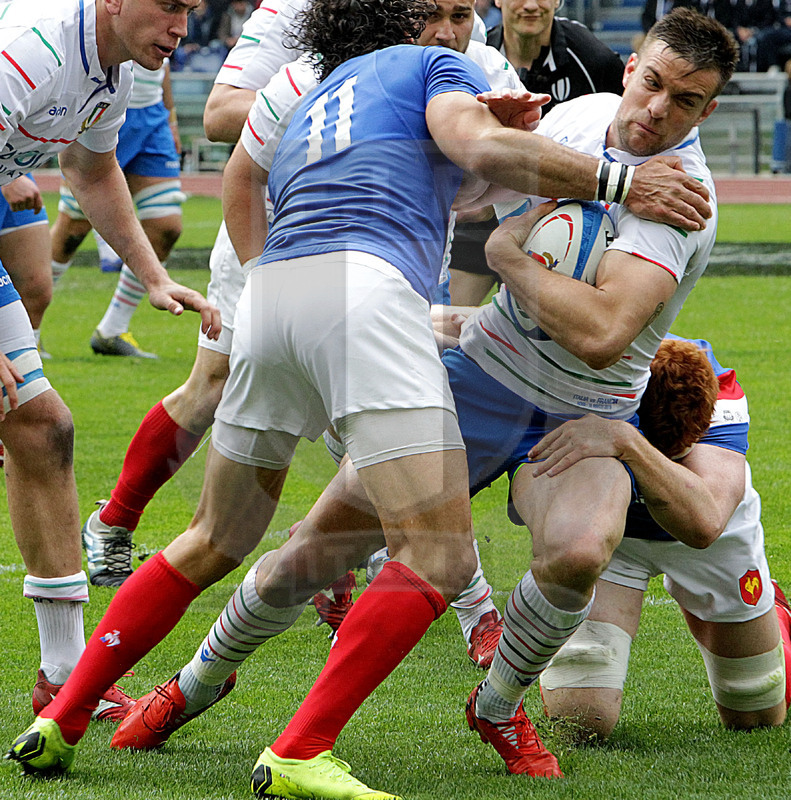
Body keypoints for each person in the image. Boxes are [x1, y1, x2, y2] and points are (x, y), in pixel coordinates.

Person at [8, 2, 713, 797]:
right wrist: (614, 178)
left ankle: (59, 719)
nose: (455, 32)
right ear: (404, 25)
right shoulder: (431, 68)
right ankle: (301, 747)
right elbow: (468, 144)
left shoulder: (308, 82)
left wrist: (264, 283)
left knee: (211, 538)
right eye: (440, 18)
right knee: (439, 554)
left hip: (275, 297)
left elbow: (259, 174)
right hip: (371, 304)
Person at [77, 0, 516, 589]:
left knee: (368, 406)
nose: (448, 26)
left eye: (460, 14)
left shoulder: (461, 35)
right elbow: (218, 114)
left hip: (390, 243)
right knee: (214, 385)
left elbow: (499, 146)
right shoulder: (296, 13)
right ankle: (114, 521)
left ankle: (355, 578)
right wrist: (343, 103)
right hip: (279, 224)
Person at [0, 0, 218, 745]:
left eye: (192, 10)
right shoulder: (29, 50)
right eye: (170, 6)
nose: (183, 28)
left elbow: (90, 171)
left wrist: (153, 277)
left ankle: (65, 680)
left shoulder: (113, 69)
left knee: (42, 426)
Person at [536, 336, 791, 736]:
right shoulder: (577, 379)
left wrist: (626, 442)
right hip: (612, 535)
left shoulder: (711, 386)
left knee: (756, 708)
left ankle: (773, 614)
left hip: (707, 530)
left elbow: (705, 524)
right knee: (580, 722)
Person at [449, 0, 626, 307]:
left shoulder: (593, 59)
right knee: (449, 320)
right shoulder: (477, 54)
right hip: (483, 213)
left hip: (562, 214)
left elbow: (624, 130)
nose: (530, 5)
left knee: (560, 333)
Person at [49, 60, 185, 359]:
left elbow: (162, 65)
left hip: (152, 118)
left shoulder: (169, 24)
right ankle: (26, 329)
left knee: (166, 227)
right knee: (73, 230)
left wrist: (171, 119)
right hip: (105, 108)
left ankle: (112, 330)